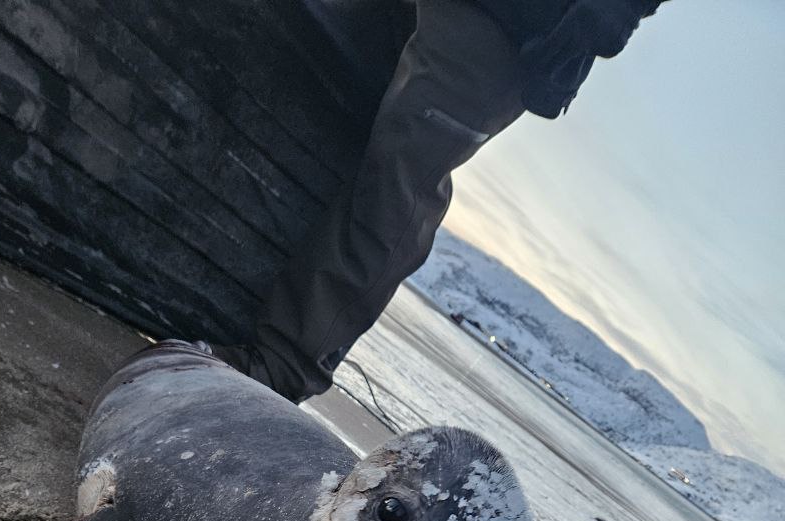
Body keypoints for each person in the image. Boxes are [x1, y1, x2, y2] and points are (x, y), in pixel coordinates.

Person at [214, 0, 666, 403]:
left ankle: (277, 370)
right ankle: (228, 305)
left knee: (401, 177)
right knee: (312, 58)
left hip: (516, 22)